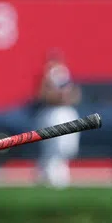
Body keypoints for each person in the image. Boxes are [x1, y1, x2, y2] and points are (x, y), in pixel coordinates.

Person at [33, 49, 81, 187]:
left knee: (67, 147)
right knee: (53, 147)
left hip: (66, 112)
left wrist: (67, 96)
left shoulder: (65, 74)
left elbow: (74, 95)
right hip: (52, 113)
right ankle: (48, 175)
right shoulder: (47, 75)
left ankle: (60, 174)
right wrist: (58, 96)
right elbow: (43, 95)